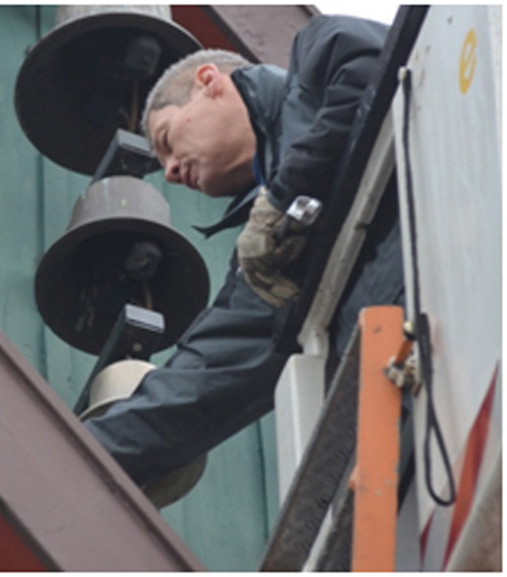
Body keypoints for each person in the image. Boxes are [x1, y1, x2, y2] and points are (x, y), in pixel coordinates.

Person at [83, 14, 403, 492]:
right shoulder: (268, 257)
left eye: (168, 140)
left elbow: (378, 69)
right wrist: (71, 458)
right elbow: (201, 380)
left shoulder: (316, 55)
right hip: (425, 366)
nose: (169, 172)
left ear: (209, 82)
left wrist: (289, 197)